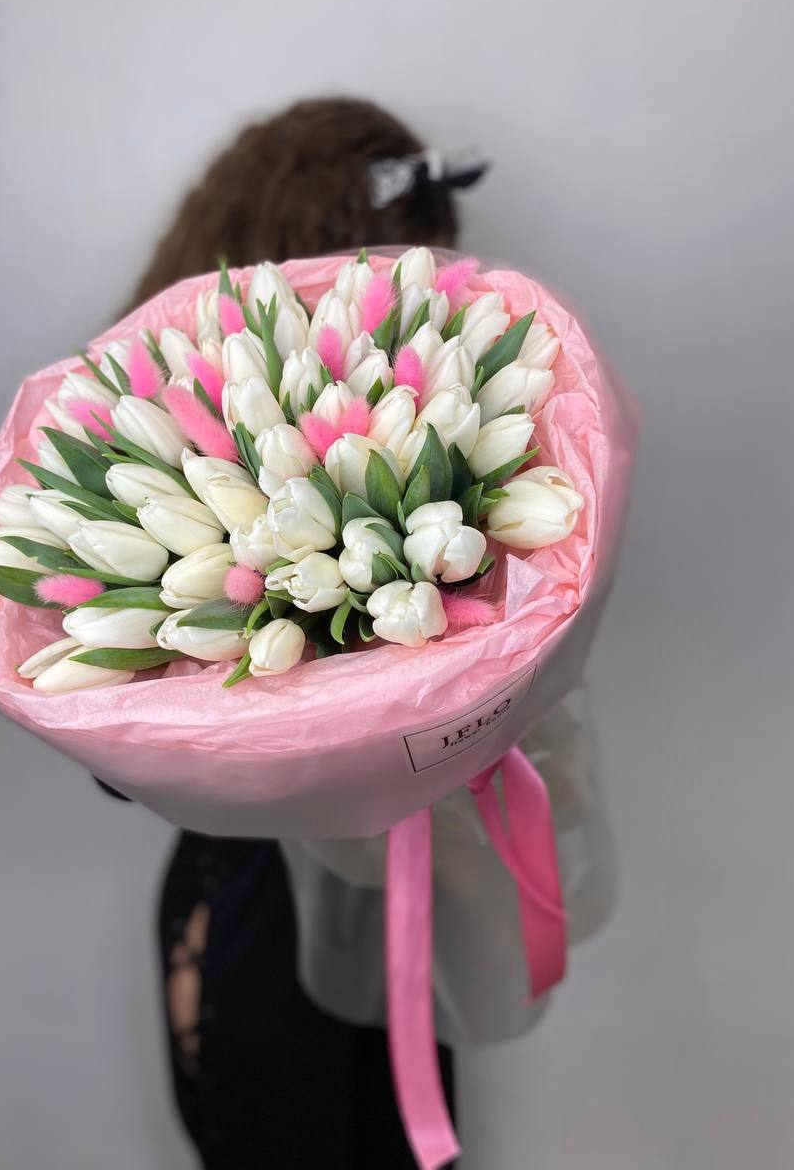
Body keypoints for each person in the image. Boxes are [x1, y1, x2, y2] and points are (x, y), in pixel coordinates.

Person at [112, 97, 488, 1169]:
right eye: (408, 264)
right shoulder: (169, 431)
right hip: (256, 916)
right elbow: (116, 753)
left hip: (401, 902)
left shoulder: (434, 421)